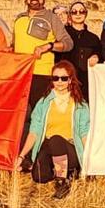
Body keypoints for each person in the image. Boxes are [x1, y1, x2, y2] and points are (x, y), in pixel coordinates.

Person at [21, 60, 90, 199]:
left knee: (56, 140)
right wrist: (22, 155)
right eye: (55, 78)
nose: (59, 81)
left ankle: (62, 182)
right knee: (39, 176)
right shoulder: (44, 102)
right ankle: (64, 171)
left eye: (64, 78)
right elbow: (34, 131)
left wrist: (88, 160)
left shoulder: (80, 104)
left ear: (70, 80)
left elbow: (84, 132)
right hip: (48, 146)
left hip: (70, 147)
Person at [13, 0, 73, 113]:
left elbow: (68, 43)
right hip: (20, 75)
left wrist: (48, 46)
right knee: (18, 116)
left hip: (41, 75)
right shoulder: (19, 18)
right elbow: (14, 46)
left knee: (39, 115)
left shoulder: (52, 18)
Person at [62, 1, 102, 95]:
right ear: (69, 15)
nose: (78, 14)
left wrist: (96, 56)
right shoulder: (63, 35)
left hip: (86, 83)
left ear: (86, 14)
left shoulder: (93, 38)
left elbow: (100, 53)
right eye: (74, 12)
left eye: (81, 11)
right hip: (65, 81)